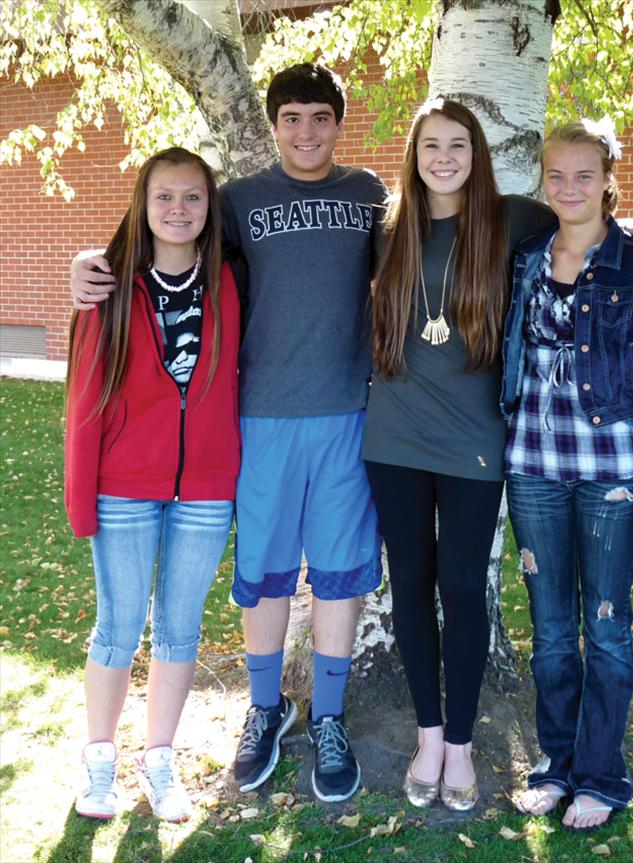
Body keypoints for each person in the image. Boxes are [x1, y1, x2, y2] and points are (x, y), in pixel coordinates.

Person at [69, 64, 387, 804]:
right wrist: (89, 264)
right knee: (266, 578)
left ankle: (330, 719)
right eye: (292, 118)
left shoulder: (371, 194)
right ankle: (265, 709)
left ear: (339, 124)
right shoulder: (239, 202)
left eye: (319, 117)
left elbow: (452, 233)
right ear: (274, 127)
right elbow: (162, 248)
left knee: (340, 575)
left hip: (345, 410)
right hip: (261, 418)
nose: (306, 131)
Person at [362, 99, 633, 812]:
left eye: (458, 146)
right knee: (408, 585)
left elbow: (592, 221)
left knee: (465, 589)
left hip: (477, 443)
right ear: (413, 153)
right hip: (393, 439)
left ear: (478, 156)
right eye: (430, 145)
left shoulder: (511, 221)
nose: (443, 158)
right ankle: (430, 737)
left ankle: (467, 746)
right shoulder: (384, 226)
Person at [500, 119, 633, 831]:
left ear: (608, 178)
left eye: (585, 175)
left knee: (605, 626)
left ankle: (602, 775)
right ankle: (556, 765)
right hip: (532, 468)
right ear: (543, 178)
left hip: (614, 474)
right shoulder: (524, 256)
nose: (570, 188)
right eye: (557, 175)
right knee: (552, 629)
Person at [65, 147, 242, 822]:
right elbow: (82, 401)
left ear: (209, 206)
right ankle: (100, 759)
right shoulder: (107, 288)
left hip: (205, 488)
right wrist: (84, 500)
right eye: (163, 196)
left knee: (179, 629)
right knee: (117, 628)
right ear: (142, 204)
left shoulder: (230, 280)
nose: (177, 209)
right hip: (123, 487)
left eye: (191, 197)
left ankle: (159, 758)